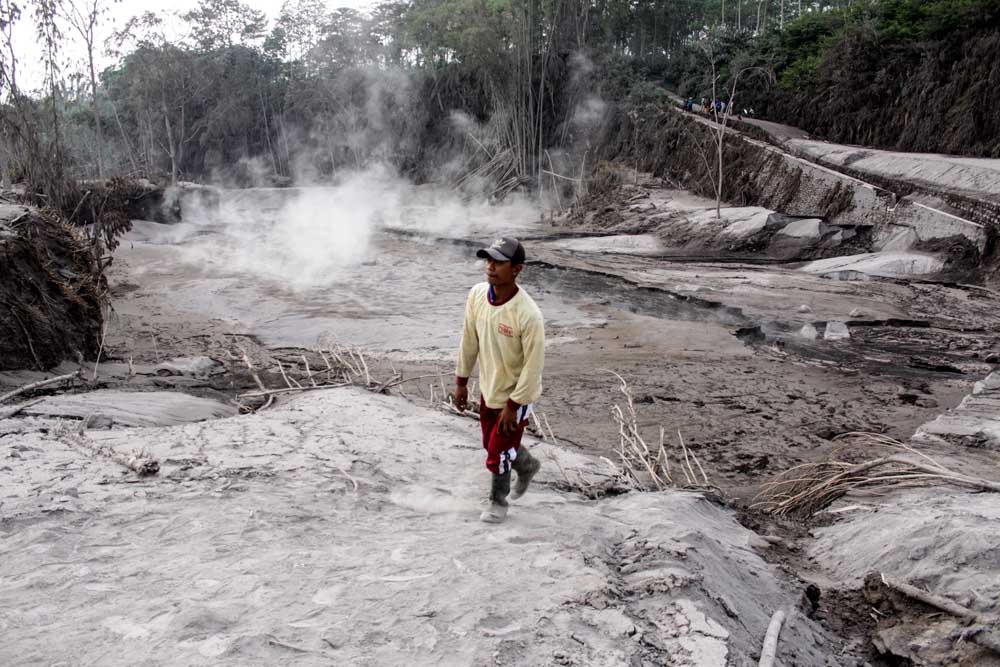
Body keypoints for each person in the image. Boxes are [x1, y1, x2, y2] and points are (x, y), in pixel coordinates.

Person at [455, 237, 544, 523]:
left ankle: (498, 502)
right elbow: (469, 341)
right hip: (489, 388)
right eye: (489, 260)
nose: (491, 267)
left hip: (517, 395)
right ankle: (527, 465)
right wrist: (461, 382)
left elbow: (533, 367)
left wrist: (513, 405)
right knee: (490, 444)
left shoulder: (528, 314)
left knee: (498, 451)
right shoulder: (477, 295)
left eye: (500, 262)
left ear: (517, 269)